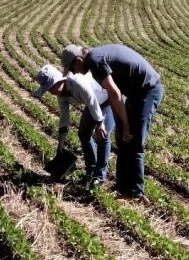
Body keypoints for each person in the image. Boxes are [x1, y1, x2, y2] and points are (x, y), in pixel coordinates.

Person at [61, 44, 163, 199]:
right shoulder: (95, 58)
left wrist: (127, 125)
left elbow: (114, 93)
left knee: (135, 141)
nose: (73, 72)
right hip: (134, 93)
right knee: (122, 138)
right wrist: (123, 125)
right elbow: (114, 94)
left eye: (72, 68)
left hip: (147, 91)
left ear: (78, 59)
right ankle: (122, 186)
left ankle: (136, 192)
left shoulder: (95, 61)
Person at [32, 64, 115, 185]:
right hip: (91, 104)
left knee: (103, 136)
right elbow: (64, 117)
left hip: (107, 99)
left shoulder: (77, 81)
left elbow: (92, 100)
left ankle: (100, 176)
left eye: (50, 88)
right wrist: (60, 143)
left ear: (58, 81)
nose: (50, 92)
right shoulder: (61, 95)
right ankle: (91, 167)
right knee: (83, 134)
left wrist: (99, 123)